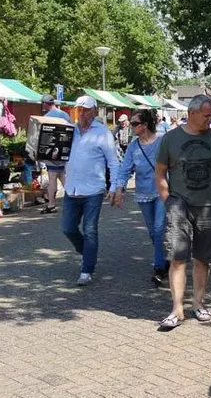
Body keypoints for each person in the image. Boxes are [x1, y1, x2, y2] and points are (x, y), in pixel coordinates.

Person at [155, 95, 211, 329]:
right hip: (179, 205)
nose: (210, 120)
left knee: (202, 258)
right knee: (177, 258)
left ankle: (198, 303)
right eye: (207, 115)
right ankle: (176, 308)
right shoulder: (170, 139)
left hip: (209, 206)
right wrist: (167, 199)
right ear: (192, 113)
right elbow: (160, 172)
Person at [61, 96, 120, 286]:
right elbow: (57, 153)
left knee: (90, 229)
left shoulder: (103, 133)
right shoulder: (69, 131)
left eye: (86, 110)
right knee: (67, 228)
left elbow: (113, 162)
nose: (82, 113)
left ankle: (87, 269)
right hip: (71, 189)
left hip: (93, 190)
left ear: (94, 111)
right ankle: (87, 251)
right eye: (80, 110)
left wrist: (113, 187)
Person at [114, 109, 169, 287]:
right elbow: (125, 169)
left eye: (135, 124)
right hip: (144, 192)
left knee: (160, 228)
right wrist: (119, 188)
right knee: (153, 231)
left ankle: (159, 267)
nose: (131, 127)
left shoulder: (162, 142)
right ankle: (164, 258)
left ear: (145, 125)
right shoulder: (133, 146)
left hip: (162, 191)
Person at [40, 94, 72, 214]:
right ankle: (73, 198)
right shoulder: (64, 115)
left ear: (45, 104)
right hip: (64, 151)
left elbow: (43, 137)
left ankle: (51, 204)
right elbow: (71, 130)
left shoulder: (46, 117)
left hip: (51, 152)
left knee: (52, 177)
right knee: (62, 175)